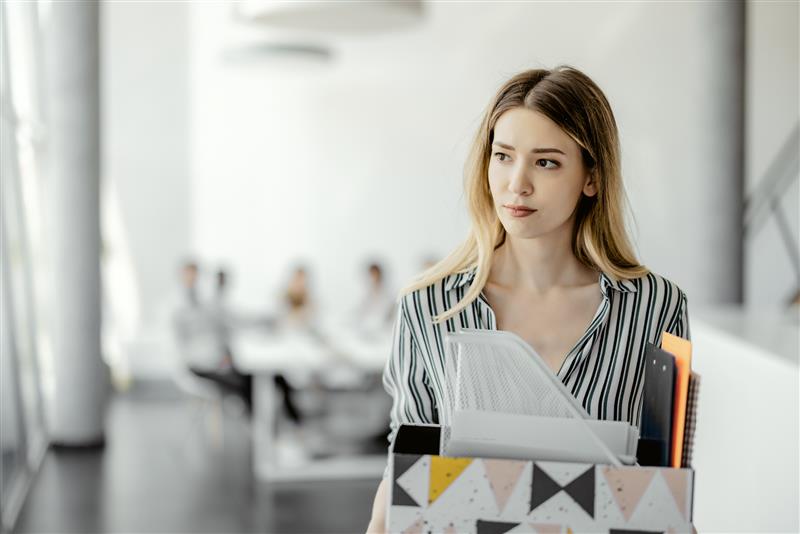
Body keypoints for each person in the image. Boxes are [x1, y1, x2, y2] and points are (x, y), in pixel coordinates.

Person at [366, 66, 691, 532]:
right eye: (503, 156)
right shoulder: (429, 304)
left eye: (546, 162)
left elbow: (664, 477)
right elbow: (408, 459)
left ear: (592, 178)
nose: (517, 183)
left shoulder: (655, 306)